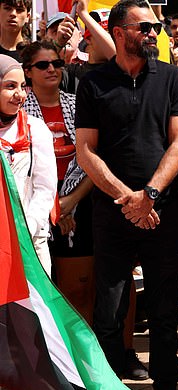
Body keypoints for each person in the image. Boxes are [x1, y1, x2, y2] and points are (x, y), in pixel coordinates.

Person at [74, 0, 178, 390]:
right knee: (109, 310)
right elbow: (86, 150)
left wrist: (150, 197)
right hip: (112, 214)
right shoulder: (94, 82)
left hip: (164, 212)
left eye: (156, 26)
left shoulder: (174, 77)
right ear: (118, 32)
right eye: (145, 27)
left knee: (164, 311)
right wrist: (128, 199)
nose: (154, 33)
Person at [21, 41, 95, 323]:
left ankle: (80, 360)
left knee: (79, 289)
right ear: (28, 72)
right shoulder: (17, 111)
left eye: (57, 63)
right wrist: (54, 207)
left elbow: (95, 159)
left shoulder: (80, 105)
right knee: (41, 291)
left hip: (79, 202)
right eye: (42, 65)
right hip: (34, 206)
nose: (51, 69)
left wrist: (69, 202)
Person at [0, 55, 56, 273]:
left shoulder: (35, 129)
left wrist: (23, 231)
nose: (20, 94)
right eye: (10, 86)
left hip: (29, 244)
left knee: (31, 307)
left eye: (23, 86)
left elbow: (45, 189)